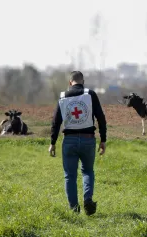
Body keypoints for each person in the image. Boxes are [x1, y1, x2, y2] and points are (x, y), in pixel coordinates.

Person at [49, 71, 107, 215]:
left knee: (70, 176)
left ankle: (74, 210)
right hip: (88, 139)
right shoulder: (90, 94)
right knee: (87, 171)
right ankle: (87, 199)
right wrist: (103, 139)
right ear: (83, 81)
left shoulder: (63, 96)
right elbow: (101, 118)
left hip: (69, 140)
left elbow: (56, 122)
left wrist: (53, 142)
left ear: (70, 82)